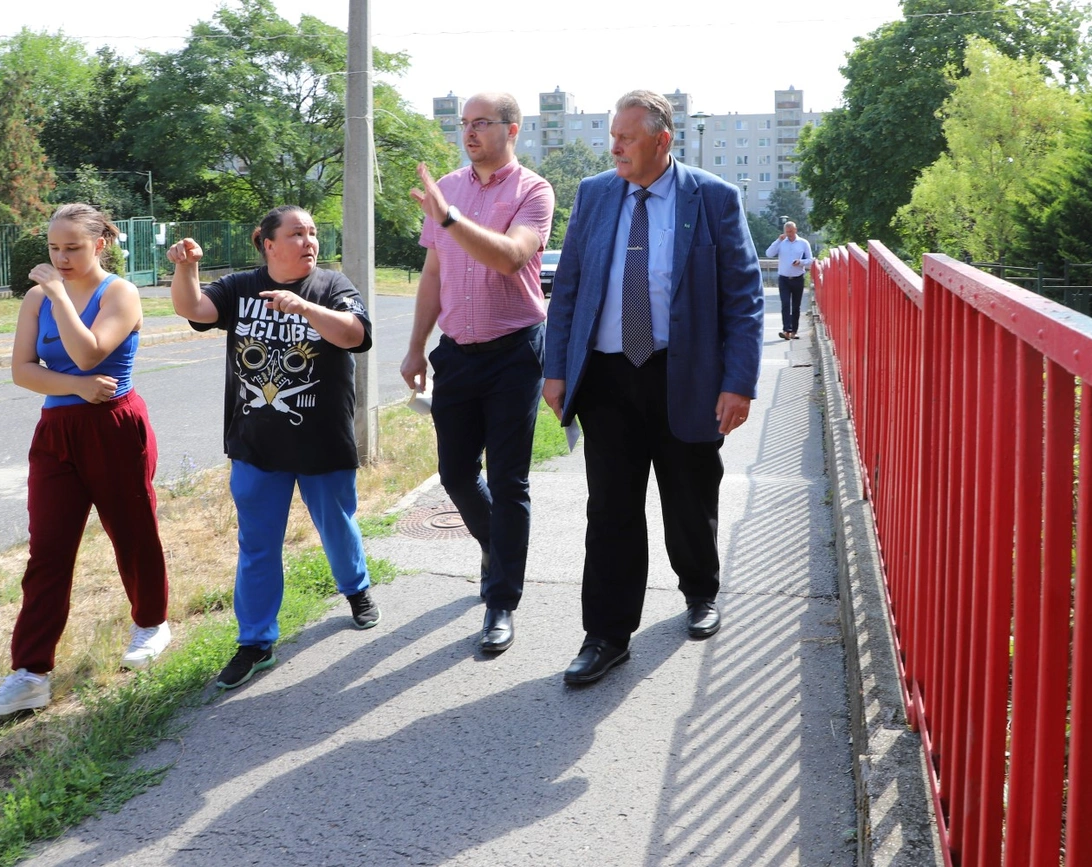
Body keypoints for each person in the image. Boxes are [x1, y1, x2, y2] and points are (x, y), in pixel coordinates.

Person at [543, 90, 764, 685]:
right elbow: (569, 289)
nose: (614, 145)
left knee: (689, 496)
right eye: (612, 135)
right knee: (611, 507)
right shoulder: (594, 194)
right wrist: (556, 367)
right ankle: (607, 635)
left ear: (663, 141)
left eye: (627, 137)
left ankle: (701, 590)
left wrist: (738, 382)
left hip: (685, 372)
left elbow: (743, 298)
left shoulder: (714, 198)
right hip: (609, 378)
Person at [0, 203, 172, 716]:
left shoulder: (120, 293)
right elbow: (23, 370)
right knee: (48, 552)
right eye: (54, 249)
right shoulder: (37, 299)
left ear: (99, 244)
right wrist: (78, 389)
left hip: (114, 427)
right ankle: (30, 673)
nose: (61, 258)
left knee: (131, 531)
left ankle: (151, 624)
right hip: (56, 431)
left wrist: (60, 299)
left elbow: (89, 352)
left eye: (73, 248)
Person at [167, 205, 377, 690]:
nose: (309, 242)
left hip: (321, 439)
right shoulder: (241, 287)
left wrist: (305, 308)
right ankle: (256, 642)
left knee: (337, 528)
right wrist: (186, 267)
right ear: (267, 243)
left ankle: (357, 588)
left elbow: (356, 334)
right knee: (257, 546)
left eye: (313, 234)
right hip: (256, 445)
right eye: (297, 233)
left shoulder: (332, 287)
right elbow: (193, 308)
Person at [401, 91, 554, 654]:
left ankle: (501, 601)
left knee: (509, 479)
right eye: (464, 124)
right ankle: (498, 546)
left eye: (482, 123)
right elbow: (434, 271)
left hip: (515, 352)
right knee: (456, 474)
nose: (470, 133)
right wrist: (417, 347)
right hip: (457, 354)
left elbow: (512, 257)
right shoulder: (449, 186)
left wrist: (450, 216)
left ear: (511, 130)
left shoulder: (533, 190)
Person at [765, 221, 812, 340]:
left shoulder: (803, 243)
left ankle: (794, 331)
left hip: (797, 278)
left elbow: (811, 260)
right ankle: (786, 330)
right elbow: (769, 254)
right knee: (785, 304)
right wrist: (778, 241)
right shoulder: (781, 243)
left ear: (795, 230)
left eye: (791, 231)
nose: (789, 234)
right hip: (784, 279)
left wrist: (800, 262)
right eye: (787, 232)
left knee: (796, 306)